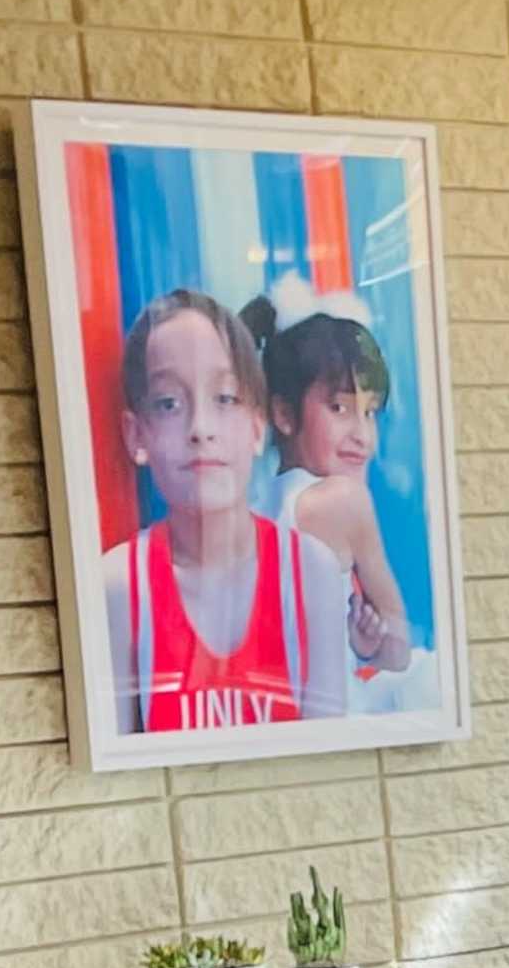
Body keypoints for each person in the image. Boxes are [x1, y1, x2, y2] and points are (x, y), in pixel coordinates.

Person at [100, 287, 370, 738]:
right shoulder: (117, 585)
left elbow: (327, 759)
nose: (200, 429)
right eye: (169, 404)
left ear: (258, 426)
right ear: (136, 435)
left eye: (225, 398)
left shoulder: (309, 572)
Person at [246, 291, 419, 693]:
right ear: (284, 413)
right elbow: (399, 651)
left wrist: (358, 643)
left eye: (369, 412)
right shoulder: (344, 500)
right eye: (340, 408)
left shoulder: (256, 505)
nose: (362, 435)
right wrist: (373, 648)